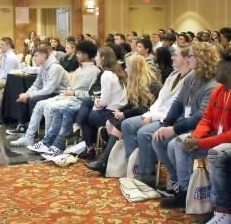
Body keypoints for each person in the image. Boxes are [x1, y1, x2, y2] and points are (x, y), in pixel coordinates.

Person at [151, 42, 218, 208]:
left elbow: (200, 117)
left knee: (177, 144)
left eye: (191, 56)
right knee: (158, 138)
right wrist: (165, 124)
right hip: (189, 126)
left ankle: (184, 190)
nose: (188, 59)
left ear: (201, 59)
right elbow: (178, 102)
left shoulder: (212, 84)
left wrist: (173, 129)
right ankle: (175, 181)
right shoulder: (191, 76)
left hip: (207, 132)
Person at [120, 45, 193, 190]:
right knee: (127, 124)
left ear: (185, 59)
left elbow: (176, 108)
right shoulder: (173, 76)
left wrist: (153, 118)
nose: (172, 57)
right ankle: (134, 167)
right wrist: (149, 114)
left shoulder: (190, 79)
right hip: (157, 114)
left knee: (144, 132)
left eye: (176, 55)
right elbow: (160, 100)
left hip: (172, 119)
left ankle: (147, 176)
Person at [10, 41, 98, 147]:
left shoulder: (94, 71)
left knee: (48, 106)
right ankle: (29, 137)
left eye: (79, 53)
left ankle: (48, 142)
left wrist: (74, 92)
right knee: (39, 104)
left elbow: (92, 95)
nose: (76, 55)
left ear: (86, 54)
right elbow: (38, 85)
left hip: (79, 101)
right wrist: (27, 93)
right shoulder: (80, 69)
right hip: (68, 97)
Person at [85, 53, 161, 168]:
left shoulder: (152, 84)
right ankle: (110, 162)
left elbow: (144, 108)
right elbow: (131, 104)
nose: (125, 69)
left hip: (151, 117)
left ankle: (106, 162)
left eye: (128, 67)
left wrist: (124, 114)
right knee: (111, 121)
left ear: (135, 68)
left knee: (119, 125)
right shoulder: (134, 82)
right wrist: (119, 111)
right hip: (139, 114)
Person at [6, 46, 68, 135]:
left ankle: (33, 131)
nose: (33, 58)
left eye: (35, 56)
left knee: (32, 99)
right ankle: (22, 126)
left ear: (43, 55)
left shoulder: (55, 67)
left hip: (60, 93)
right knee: (22, 97)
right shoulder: (43, 67)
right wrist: (26, 94)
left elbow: (49, 89)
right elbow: (36, 85)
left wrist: (30, 95)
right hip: (49, 92)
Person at [200, 48, 231, 224]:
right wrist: (195, 138)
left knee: (215, 153)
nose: (215, 70)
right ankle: (186, 193)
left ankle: (223, 211)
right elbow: (206, 118)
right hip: (218, 138)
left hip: (224, 142)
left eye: (219, 67)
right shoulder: (219, 89)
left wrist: (204, 142)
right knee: (179, 144)